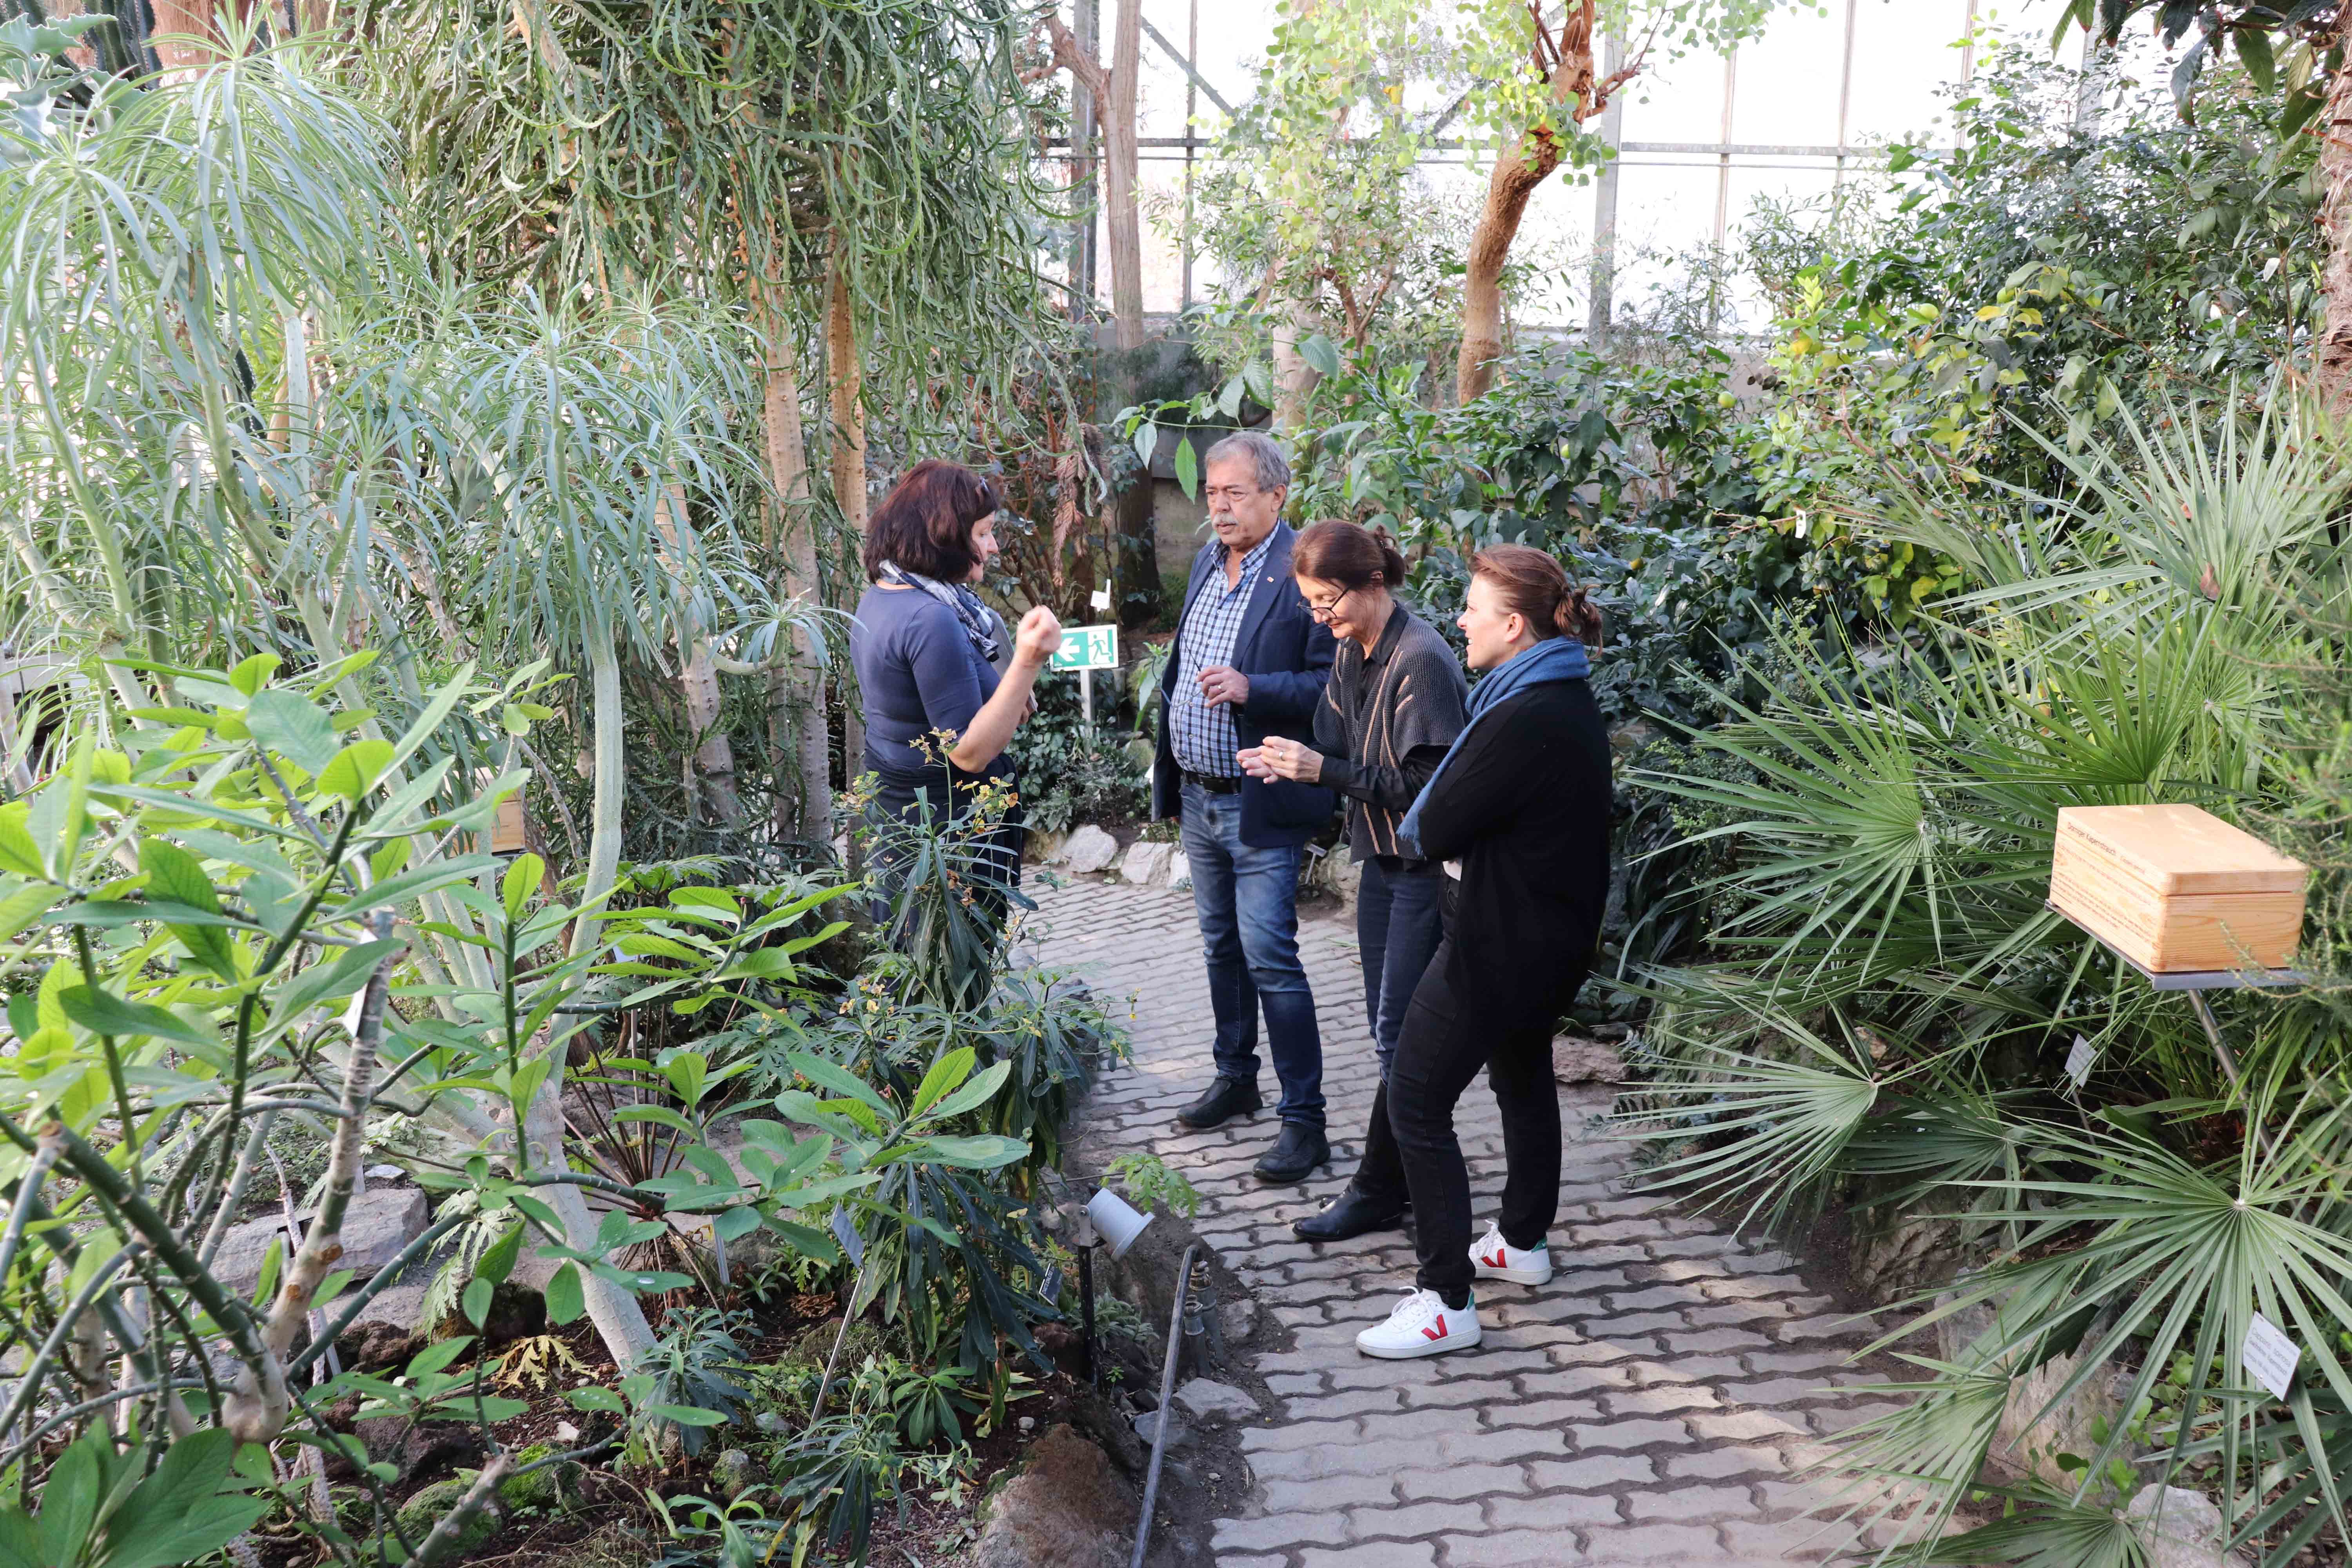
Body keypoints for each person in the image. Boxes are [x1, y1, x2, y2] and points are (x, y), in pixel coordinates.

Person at [1350, 544, 1611, 1359]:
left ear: (1512, 624)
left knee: (1417, 1098)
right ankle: (1521, 1243)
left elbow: (1434, 824)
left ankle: (1444, 1299)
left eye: (1471, 606)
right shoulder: (1556, 693)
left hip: (1496, 944)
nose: (1458, 618)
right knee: (1522, 1072)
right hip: (1547, 940)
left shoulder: (1523, 713)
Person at [1235, 521, 1468, 1241]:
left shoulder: (1421, 659)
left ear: (1373, 584)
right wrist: (1288, 759)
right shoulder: (1351, 650)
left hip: (1424, 872)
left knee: (1403, 1041)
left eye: (1328, 600)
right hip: (1379, 864)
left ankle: (1391, 1192)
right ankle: (1387, 1187)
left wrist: (1321, 770)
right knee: (1389, 1037)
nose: (1319, 616)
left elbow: (1430, 786)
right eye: (1310, 603)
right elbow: (1334, 745)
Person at [1150, 430, 1337, 1183]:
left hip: (1261, 803)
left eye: (1234, 493)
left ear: (1277, 496)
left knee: (1271, 958)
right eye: (1213, 494)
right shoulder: (1206, 561)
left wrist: (1254, 688)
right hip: (1201, 796)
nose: (1218, 507)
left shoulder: (1305, 574)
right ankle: (1236, 1079)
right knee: (1221, 948)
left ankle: (1306, 1121)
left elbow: (1333, 688)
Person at [850, 460, 1061, 920]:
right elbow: (967, 752)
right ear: (944, 535)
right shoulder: (931, 617)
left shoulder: (888, 592)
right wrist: (1027, 661)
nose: (993, 546)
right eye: (983, 533)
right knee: (955, 983)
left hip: (908, 832)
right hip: (947, 844)